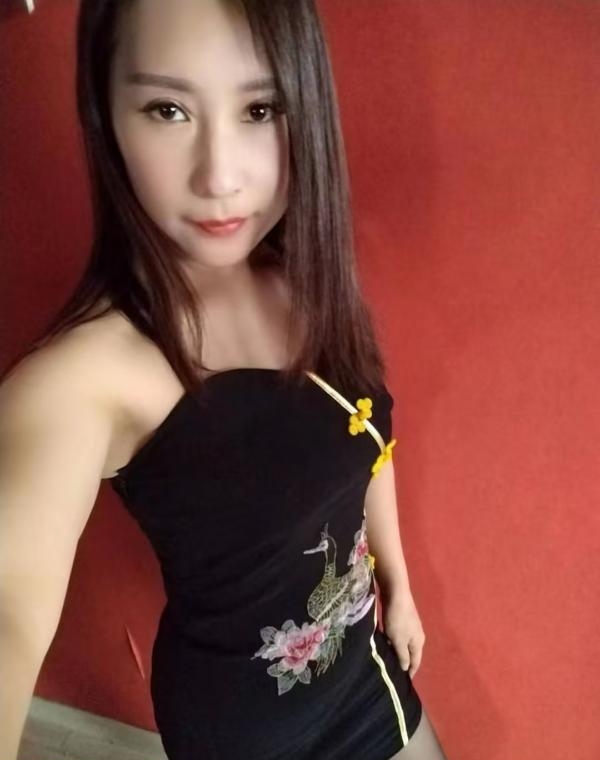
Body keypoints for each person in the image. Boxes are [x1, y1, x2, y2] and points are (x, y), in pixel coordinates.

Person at [0, 1, 449, 758]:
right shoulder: (81, 383)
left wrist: (398, 587)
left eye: (260, 109)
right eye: (168, 109)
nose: (220, 176)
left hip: (363, 674)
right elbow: (8, 612)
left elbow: (369, 448)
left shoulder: (308, 283)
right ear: (106, 117)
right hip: (241, 731)